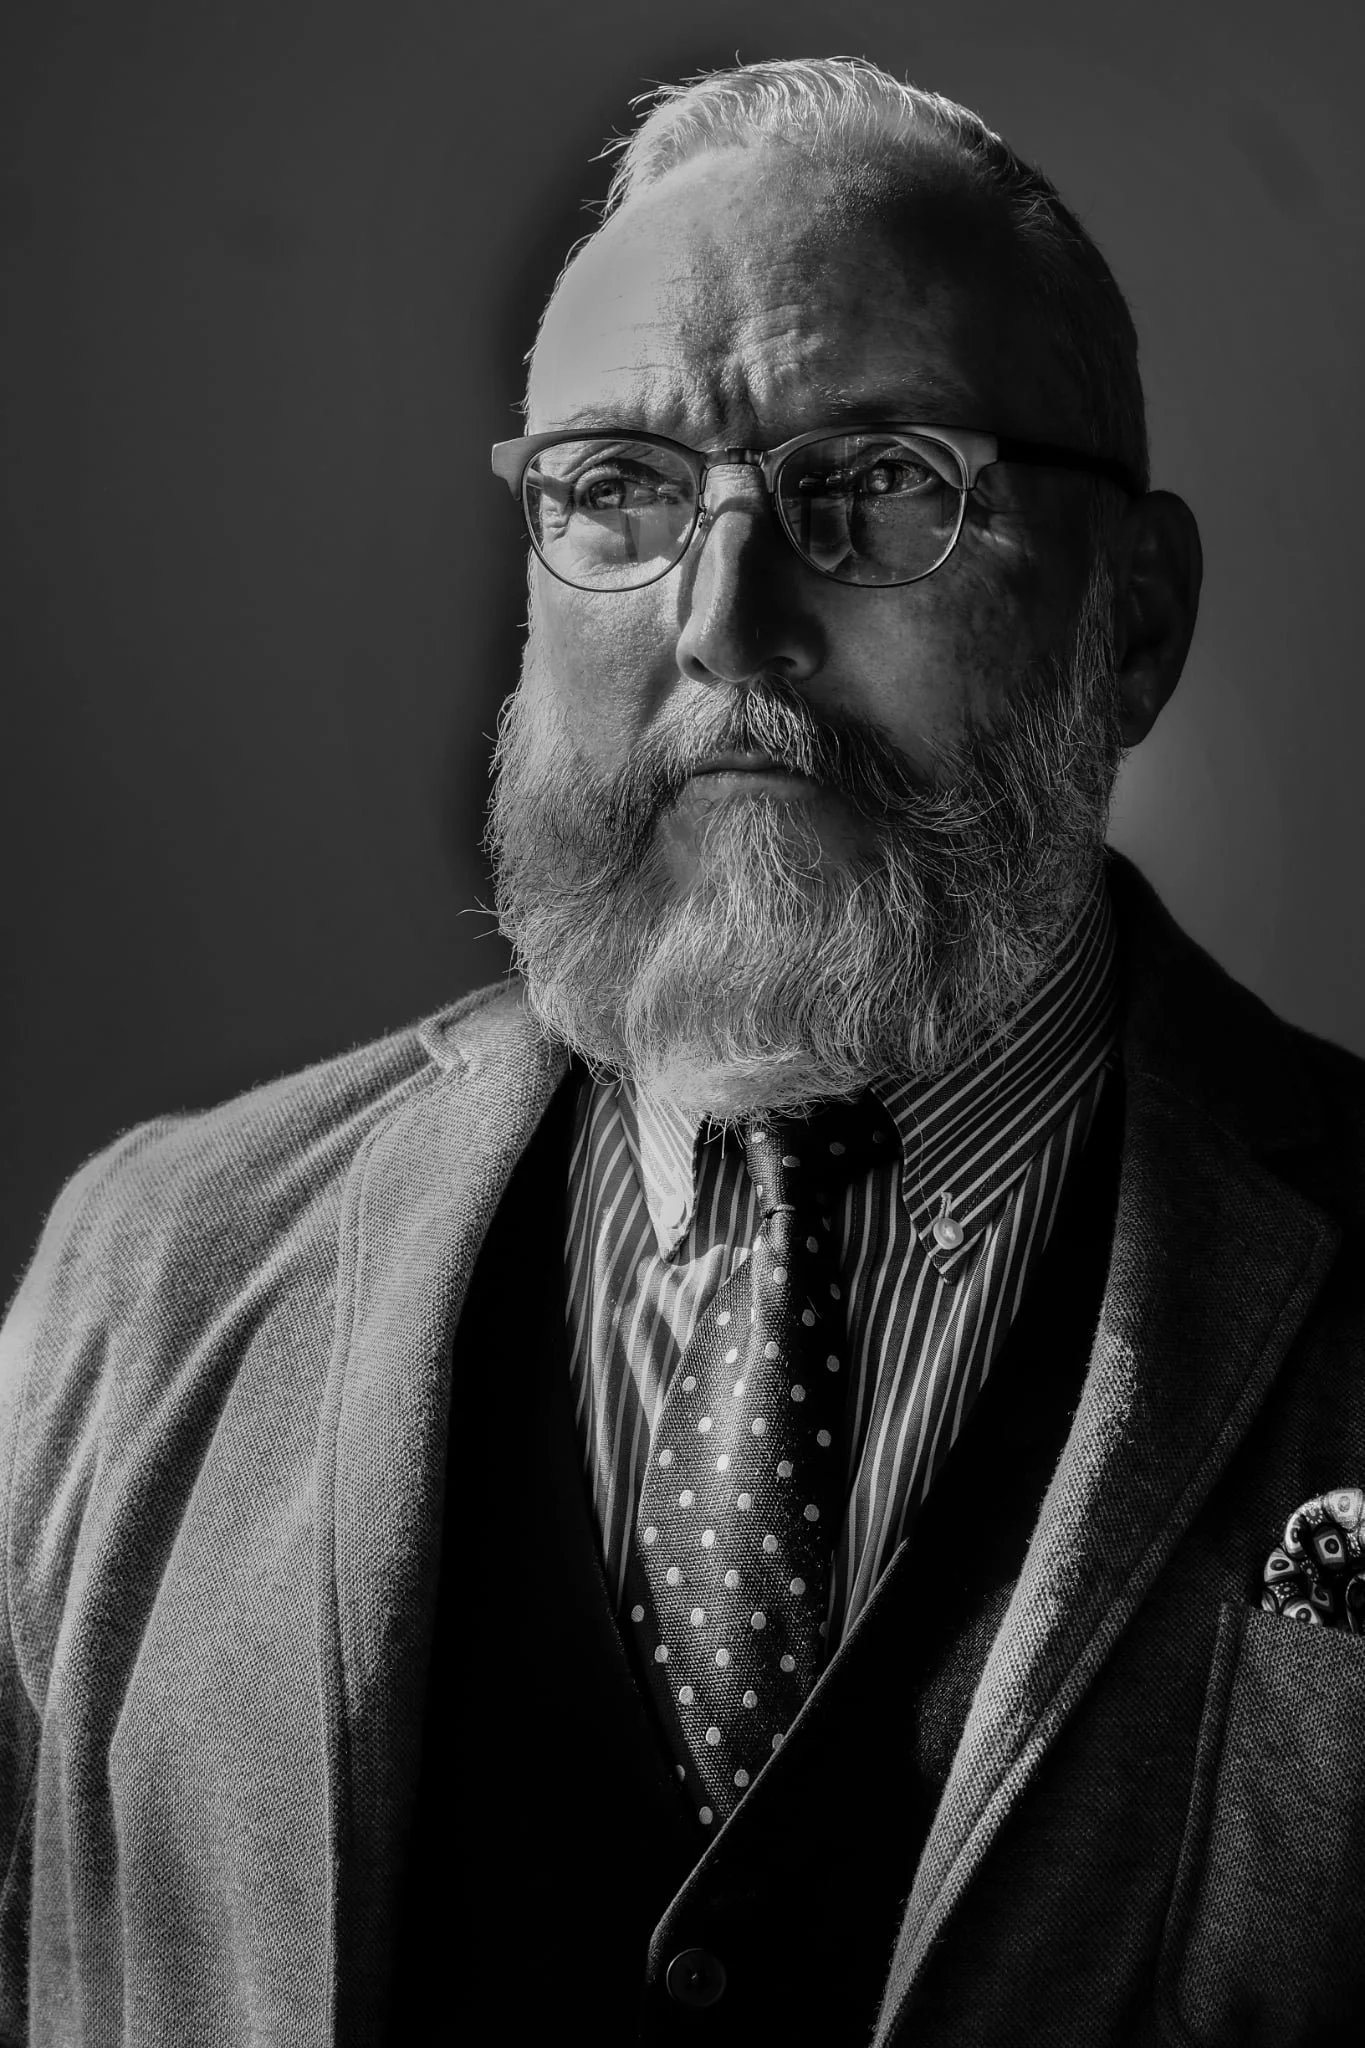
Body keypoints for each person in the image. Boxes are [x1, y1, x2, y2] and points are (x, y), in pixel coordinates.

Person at [1, 52, 1362, 2048]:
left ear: (1134, 617)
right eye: (616, 494)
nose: (727, 616)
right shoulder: (142, 1283)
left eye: (881, 485)